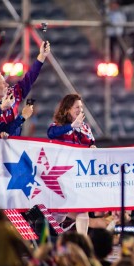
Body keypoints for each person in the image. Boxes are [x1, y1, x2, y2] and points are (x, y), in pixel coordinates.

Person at [0, 41, 50, 203]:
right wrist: (21, 117)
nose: (7, 84)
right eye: (2, 83)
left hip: (13, 158)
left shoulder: (11, 95)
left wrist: (41, 57)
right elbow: (3, 133)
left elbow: (28, 80)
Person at [47, 93, 97, 234]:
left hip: (79, 175)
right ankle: (44, 238)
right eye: (77, 107)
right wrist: (72, 126)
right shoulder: (58, 126)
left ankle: (83, 244)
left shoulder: (85, 128)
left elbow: (91, 144)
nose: (80, 110)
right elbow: (51, 133)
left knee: (82, 210)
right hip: (61, 178)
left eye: (81, 107)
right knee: (58, 214)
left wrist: (92, 148)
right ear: (67, 109)